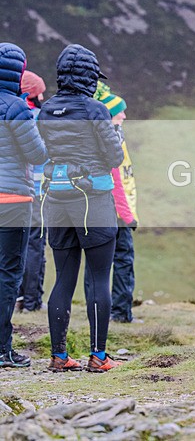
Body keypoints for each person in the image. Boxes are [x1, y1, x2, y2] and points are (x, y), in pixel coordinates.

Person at [38, 44, 124, 373]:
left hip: (56, 199)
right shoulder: (96, 109)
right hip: (92, 201)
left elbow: (43, 152)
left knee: (62, 279)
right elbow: (115, 158)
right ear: (89, 77)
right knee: (99, 277)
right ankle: (98, 357)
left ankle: (59, 356)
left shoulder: (47, 110)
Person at [0, 43, 48, 368]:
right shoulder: (17, 107)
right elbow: (37, 155)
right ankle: (3, 350)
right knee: (7, 273)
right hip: (13, 200)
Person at [90, 81, 139, 324]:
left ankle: (100, 311)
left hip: (102, 211)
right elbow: (117, 181)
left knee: (98, 263)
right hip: (117, 214)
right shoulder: (112, 140)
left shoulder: (101, 136)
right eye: (119, 110)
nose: (124, 115)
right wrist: (127, 216)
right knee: (123, 259)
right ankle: (120, 313)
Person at [17, 70, 48, 313]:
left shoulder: (10, 114)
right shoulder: (39, 118)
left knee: (13, 245)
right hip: (37, 192)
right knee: (35, 245)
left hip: (11, 192)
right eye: (41, 93)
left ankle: (16, 297)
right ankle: (32, 302)